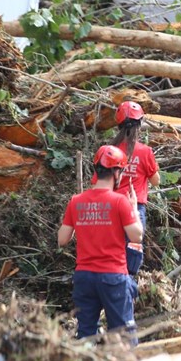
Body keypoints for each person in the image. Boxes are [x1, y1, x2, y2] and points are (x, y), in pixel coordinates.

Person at [57, 145, 144, 340]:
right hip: (113, 277)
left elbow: (62, 240)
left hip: (84, 278)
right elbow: (137, 236)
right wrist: (134, 208)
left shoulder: (75, 201)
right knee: (123, 336)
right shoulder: (120, 202)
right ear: (116, 172)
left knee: (86, 334)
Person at [111, 101, 160, 278]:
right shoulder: (145, 151)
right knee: (132, 253)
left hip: (111, 207)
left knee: (112, 253)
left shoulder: (109, 150)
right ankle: (128, 290)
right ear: (139, 125)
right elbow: (156, 181)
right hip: (134, 209)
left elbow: (98, 182)